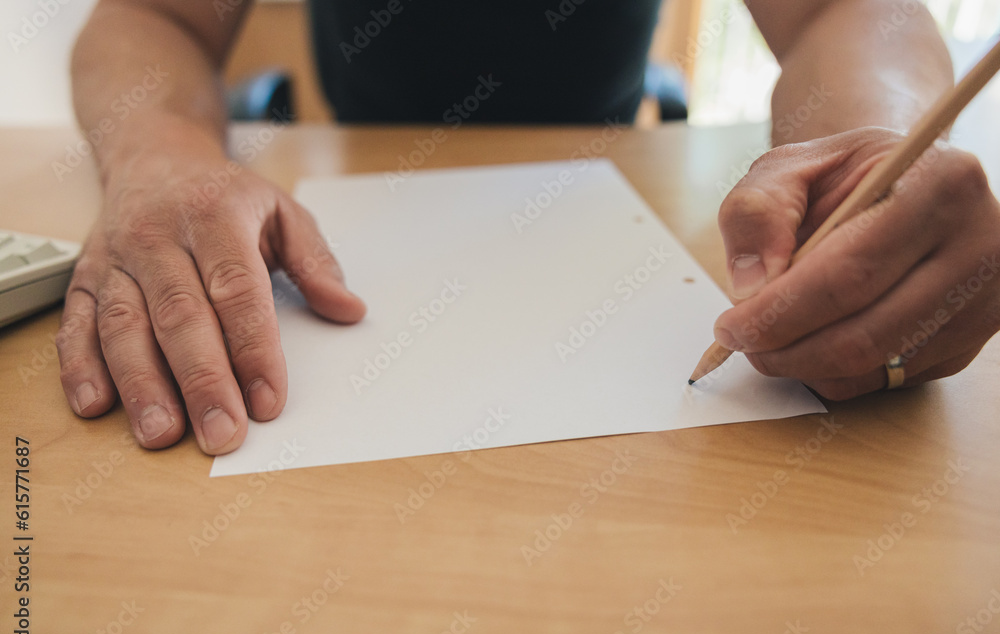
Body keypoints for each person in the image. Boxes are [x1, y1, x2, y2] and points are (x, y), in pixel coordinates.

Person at [58, 0, 1000, 456]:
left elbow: (846, 13)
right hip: (356, 191)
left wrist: (872, 148)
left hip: (608, 203)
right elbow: (148, 18)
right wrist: (158, 154)